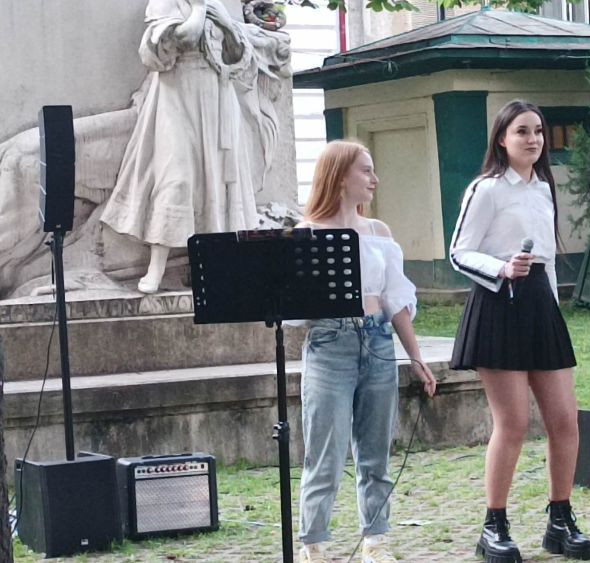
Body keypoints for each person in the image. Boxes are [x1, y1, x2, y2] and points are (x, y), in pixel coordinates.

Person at [449, 100, 590, 562]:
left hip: (540, 305)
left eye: (538, 131)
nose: (533, 139)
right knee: (512, 423)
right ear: (502, 139)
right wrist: (501, 268)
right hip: (498, 304)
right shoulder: (487, 189)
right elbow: (458, 251)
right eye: (521, 131)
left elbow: (547, 260)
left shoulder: (544, 188)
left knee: (565, 420)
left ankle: (560, 520)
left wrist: (551, 308)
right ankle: (493, 525)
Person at [295, 140, 437, 563]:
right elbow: (294, 309)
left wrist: (415, 356)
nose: (375, 179)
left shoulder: (378, 232)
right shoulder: (307, 233)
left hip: (377, 342)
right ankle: (313, 544)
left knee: (375, 455)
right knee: (325, 453)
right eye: (366, 170)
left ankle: (376, 542)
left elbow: (396, 301)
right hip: (330, 344)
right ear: (340, 177)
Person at [101, 0, 262, 294]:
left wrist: (227, 26)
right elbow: (173, 44)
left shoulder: (217, 6)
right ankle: (156, 266)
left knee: (216, 183)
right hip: (176, 94)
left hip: (216, 99)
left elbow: (239, 57)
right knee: (175, 179)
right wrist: (199, 9)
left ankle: (214, 266)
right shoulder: (165, 3)